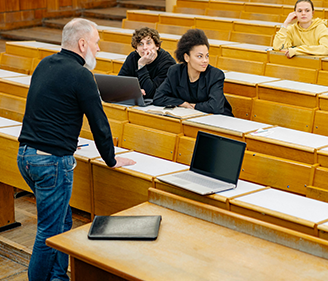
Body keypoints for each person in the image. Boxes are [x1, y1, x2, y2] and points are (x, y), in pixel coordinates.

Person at [17, 18, 135, 281]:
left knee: (63, 223)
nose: (99, 49)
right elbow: (99, 122)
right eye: (96, 43)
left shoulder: (44, 64)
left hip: (26, 156)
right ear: (82, 44)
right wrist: (111, 160)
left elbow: (43, 108)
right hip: (51, 164)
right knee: (48, 232)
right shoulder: (82, 75)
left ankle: (59, 277)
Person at [153, 29, 233, 116]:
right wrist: (182, 103)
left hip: (218, 119)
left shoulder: (215, 75)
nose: (205, 61)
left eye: (207, 56)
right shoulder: (175, 71)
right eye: (200, 56)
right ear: (186, 57)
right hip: (191, 117)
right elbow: (158, 97)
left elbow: (216, 106)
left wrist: (194, 106)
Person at [118, 27, 175, 98]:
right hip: (137, 99)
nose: (145, 48)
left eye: (148, 43)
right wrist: (134, 91)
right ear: (136, 48)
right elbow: (120, 83)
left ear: (157, 46)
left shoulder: (167, 63)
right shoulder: (133, 57)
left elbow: (152, 93)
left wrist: (141, 65)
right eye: (140, 44)